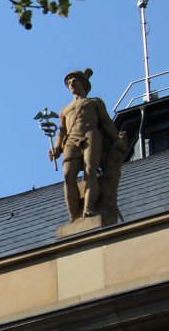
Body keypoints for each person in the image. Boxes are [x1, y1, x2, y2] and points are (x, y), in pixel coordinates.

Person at [49, 69, 122, 222]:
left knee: (90, 171)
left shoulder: (94, 102)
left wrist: (116, 139)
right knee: (68, 175)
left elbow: (106, 122)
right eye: (69, 82)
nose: (71, 84)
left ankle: (88, 209)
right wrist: (56, 148)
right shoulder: (64, 110)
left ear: (84, 84)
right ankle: (73, 215)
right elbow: (61, 132)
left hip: (90, 135)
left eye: (74, 81)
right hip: (71, 140)